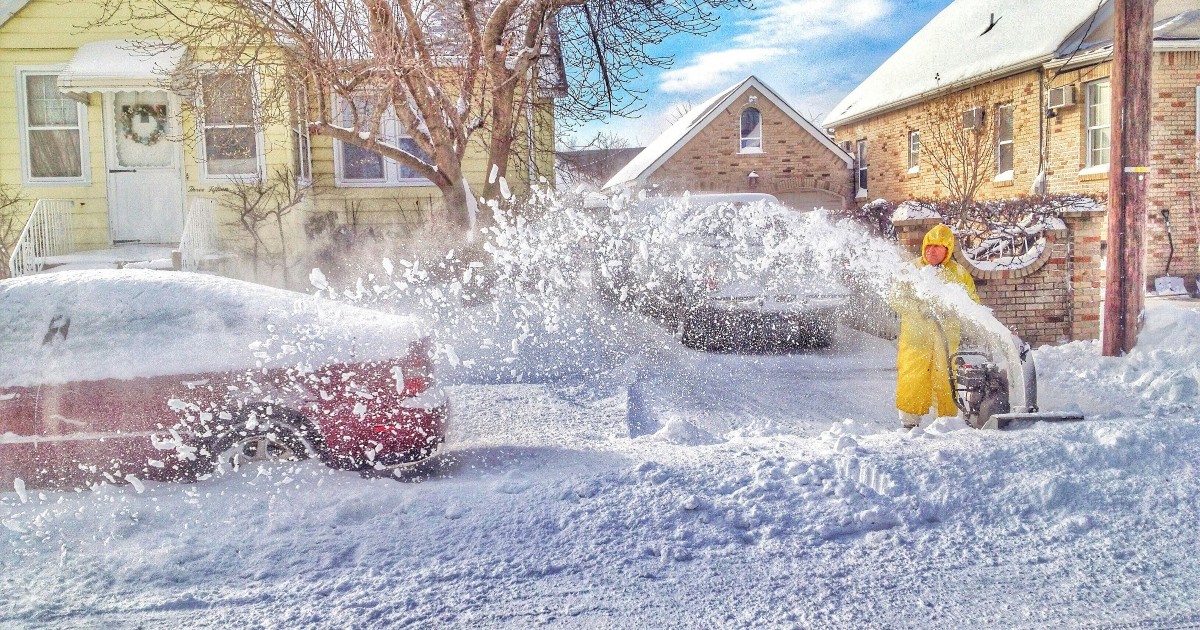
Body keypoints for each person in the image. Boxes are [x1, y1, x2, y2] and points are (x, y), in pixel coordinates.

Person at [890, 223, 979, 429]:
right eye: (928, 245)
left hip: (946, 341)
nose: (931, 250)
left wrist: (952, 309)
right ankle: (909, 424)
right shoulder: (910, 270)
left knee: (946, 380)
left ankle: (945, 424)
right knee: (912, 378)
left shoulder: (958, 273)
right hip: (915, 340)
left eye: (937, 246)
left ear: (947, 250)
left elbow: (972, 302)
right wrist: (919, 309)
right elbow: (896, 298)